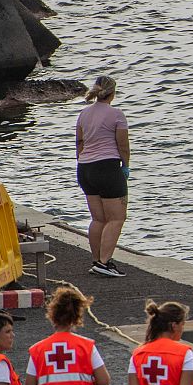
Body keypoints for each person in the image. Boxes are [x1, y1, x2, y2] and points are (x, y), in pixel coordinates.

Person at [76, 74, 130, 278]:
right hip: (107, 168)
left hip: (85, 168)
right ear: (113, 93)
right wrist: (126, 166)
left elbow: (79, 143)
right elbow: (123, 146)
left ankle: (97, 260)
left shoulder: (84, 113)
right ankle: (105, 263)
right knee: (116, 218)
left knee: (98, 219)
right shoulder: (116, 114)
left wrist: (79, 165)